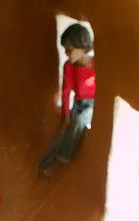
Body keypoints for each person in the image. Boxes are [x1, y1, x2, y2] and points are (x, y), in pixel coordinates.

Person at [38, 23, 96, 179]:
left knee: (79, 123)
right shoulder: (68, 66)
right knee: (64, 130)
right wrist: (66, 116)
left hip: (92, 105)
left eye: (69, 49)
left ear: (83, 47)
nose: (66, 53)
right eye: (65, 49)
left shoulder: (95, 66)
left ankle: (60, 162)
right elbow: (65, 92)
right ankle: (44, 163)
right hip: (78, 103)